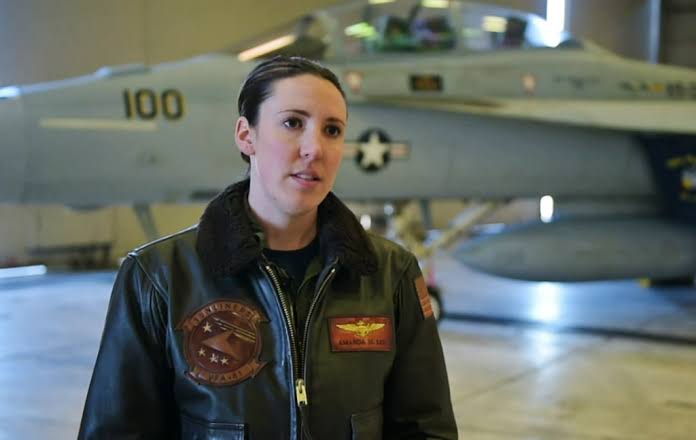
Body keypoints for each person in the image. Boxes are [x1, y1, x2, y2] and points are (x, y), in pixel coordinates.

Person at [78, 55, 457, 439]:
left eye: (332, 130)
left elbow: (426, 429)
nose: (314, 148)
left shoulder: (390, 274)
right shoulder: (159, 276)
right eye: (293, 123)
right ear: (246, 136)